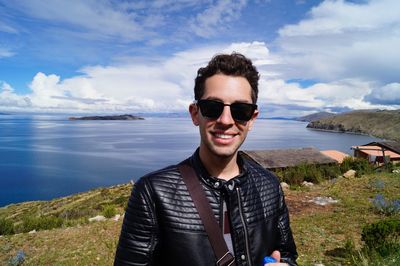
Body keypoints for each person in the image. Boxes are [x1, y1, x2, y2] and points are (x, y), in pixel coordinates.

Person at [114, 53, 298, 266]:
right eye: (212, 107)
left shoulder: (269, 186)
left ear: (252, 119)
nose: (226, 121)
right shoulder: (153, 193)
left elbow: (286, 255)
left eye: (241, 110)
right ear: (195, 114)